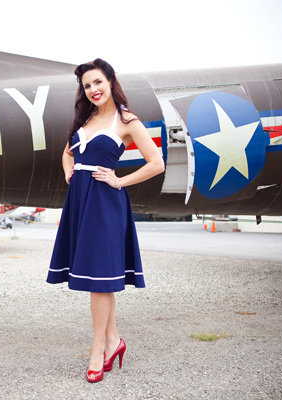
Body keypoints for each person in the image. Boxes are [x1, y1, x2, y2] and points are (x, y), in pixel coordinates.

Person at [46, 58, 165, 383]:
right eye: (87, 86)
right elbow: (68, 152)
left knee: (99, 281)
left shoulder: (126, 120)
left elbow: (157, 162)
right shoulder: (86, 119)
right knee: (99, 279)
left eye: (97, 82)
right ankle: (114, 342)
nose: (93, 89)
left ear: (110, 81)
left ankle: (98, 349)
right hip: (80, 204)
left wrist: (119, 181)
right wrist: (70, 171)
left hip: (106, 204)